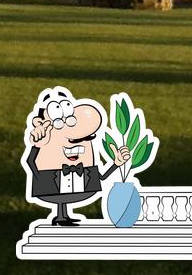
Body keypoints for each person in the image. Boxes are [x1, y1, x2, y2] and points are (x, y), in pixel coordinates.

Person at [24, 87, 130, 226]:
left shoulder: (86, 161)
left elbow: (101, 177)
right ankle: (61, 217)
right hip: (51, 180)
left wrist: (116, 163)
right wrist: (41, 178)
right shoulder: (44, 140)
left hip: (77, 180)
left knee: (65, 196)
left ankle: (63, 216)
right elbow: (29, 160)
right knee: (60, 196)